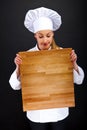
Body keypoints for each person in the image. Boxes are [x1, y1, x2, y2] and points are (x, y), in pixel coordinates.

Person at [9, 7, 84, 130]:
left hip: (59, 112)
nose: (45, 40)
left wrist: (74, 63)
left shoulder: (62, 54)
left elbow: (79, 80)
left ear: (53, 34)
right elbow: (14, 86)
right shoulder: (27, 56)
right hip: (37, 114)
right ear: (35, 36)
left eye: (48, 36)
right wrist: (18, 67)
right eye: (41, 36)